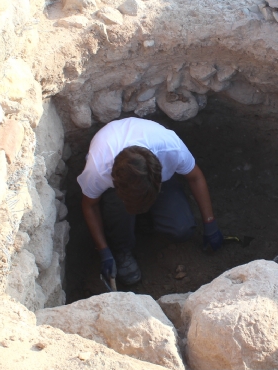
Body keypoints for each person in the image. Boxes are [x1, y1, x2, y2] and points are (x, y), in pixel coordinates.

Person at [77, 117, 223, 288]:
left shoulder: (171, 148)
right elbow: (90, 205)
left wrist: (210, 223)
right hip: (117, 192)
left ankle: (148, 219)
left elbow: (195, 177)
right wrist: (104, 251)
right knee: (116, 207)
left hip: (154, 179)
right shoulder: (98, 170)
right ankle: (122, 248)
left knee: (182, 228)